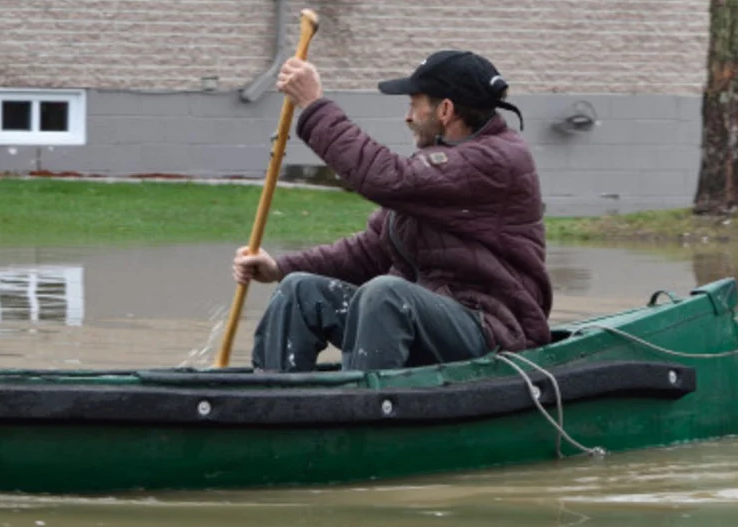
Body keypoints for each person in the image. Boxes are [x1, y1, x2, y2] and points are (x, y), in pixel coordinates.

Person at [231, 49, 552, 372]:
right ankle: (278, 400)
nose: (407, 116)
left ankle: (363, 410)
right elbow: (370, 251)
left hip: (489, 329)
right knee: (298, 291)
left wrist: (314, 106)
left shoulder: (494, 159)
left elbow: (385, 179)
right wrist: (279, 268)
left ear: (445, 110)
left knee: (386, 295)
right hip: (423, 318)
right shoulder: (440, 171)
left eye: (414, 104)